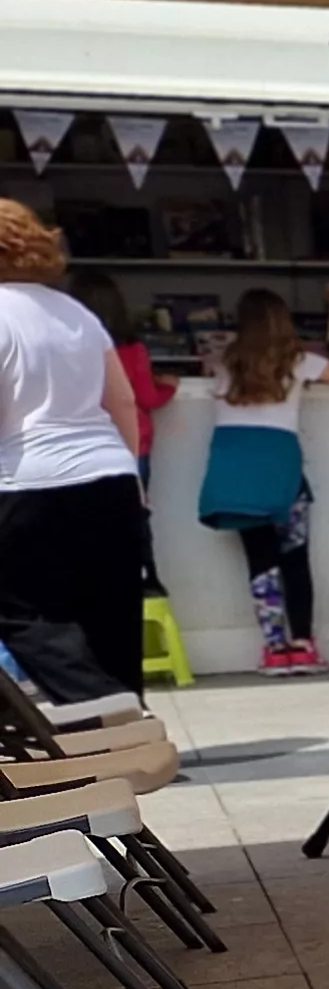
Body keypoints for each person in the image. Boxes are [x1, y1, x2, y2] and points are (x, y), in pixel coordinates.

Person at [0, 200, 153, 698]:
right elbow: (123, 400)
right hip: (109, 476)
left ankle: (103, 710)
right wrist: (133, 475)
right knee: (113, 617)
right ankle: (135, 738)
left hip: (26, 480)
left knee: (21, 613)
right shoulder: (77, 313)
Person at [205, 288, 329, 674]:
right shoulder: (299, 361)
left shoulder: (221, 361)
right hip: (280, 463)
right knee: (294, 557)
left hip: (233, 465)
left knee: (260, 560)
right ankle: (303, 644)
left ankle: (273, 649)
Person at [68, 273, 170, 463]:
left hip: (81, 445)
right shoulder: (132, 350)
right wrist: (169, 387)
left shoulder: (66, 348)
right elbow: (147, 398)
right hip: (130, 441)